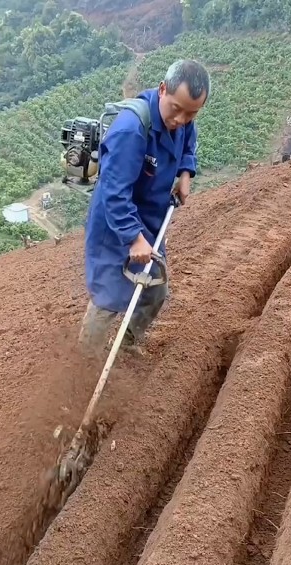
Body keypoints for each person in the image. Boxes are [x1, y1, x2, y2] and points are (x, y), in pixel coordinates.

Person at [79, 59, 210, 356]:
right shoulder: (131, 130)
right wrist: (133, 237)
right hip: (116, 224)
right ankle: (85, 364)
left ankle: (125, 345)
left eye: (191, 113)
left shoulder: (183, 118)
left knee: (155, 288)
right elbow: (114, 194)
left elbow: (188, 142)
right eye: (176, 109)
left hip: (150, 218)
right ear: (162, 89)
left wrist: (186, 172)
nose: (181, 119)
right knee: (108, 296)